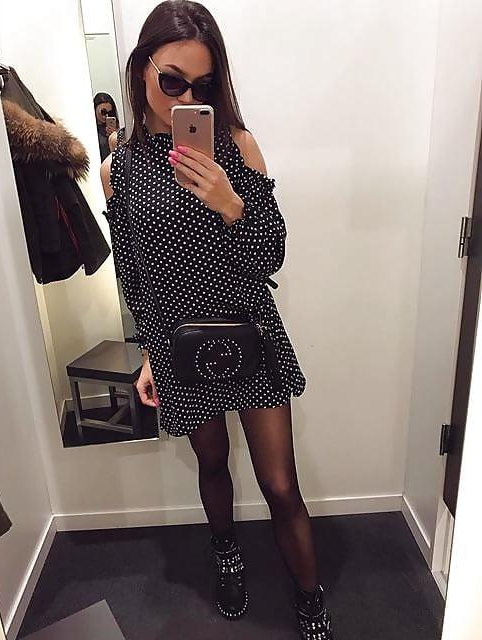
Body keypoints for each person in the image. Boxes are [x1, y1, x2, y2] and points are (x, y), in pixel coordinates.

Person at [101, 2, 334, 638]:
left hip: (249, 332)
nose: (186, 98)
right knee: (211, 464)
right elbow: (134, 276)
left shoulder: (237, 146)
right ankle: (226, 552)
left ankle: (309, 596)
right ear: (141, 68)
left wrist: (232, 204)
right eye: (172, 80)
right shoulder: (120, 168)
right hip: (178, 344)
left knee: (281, 484)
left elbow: (269, 256)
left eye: (202, 86)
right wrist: (149, 354)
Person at [94, 92, 119, 161]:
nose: (106, 116)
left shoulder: (116, 128)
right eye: (103, 112)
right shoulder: (91, 129)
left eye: (109, 112)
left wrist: (117, 135)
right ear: (95, 109)